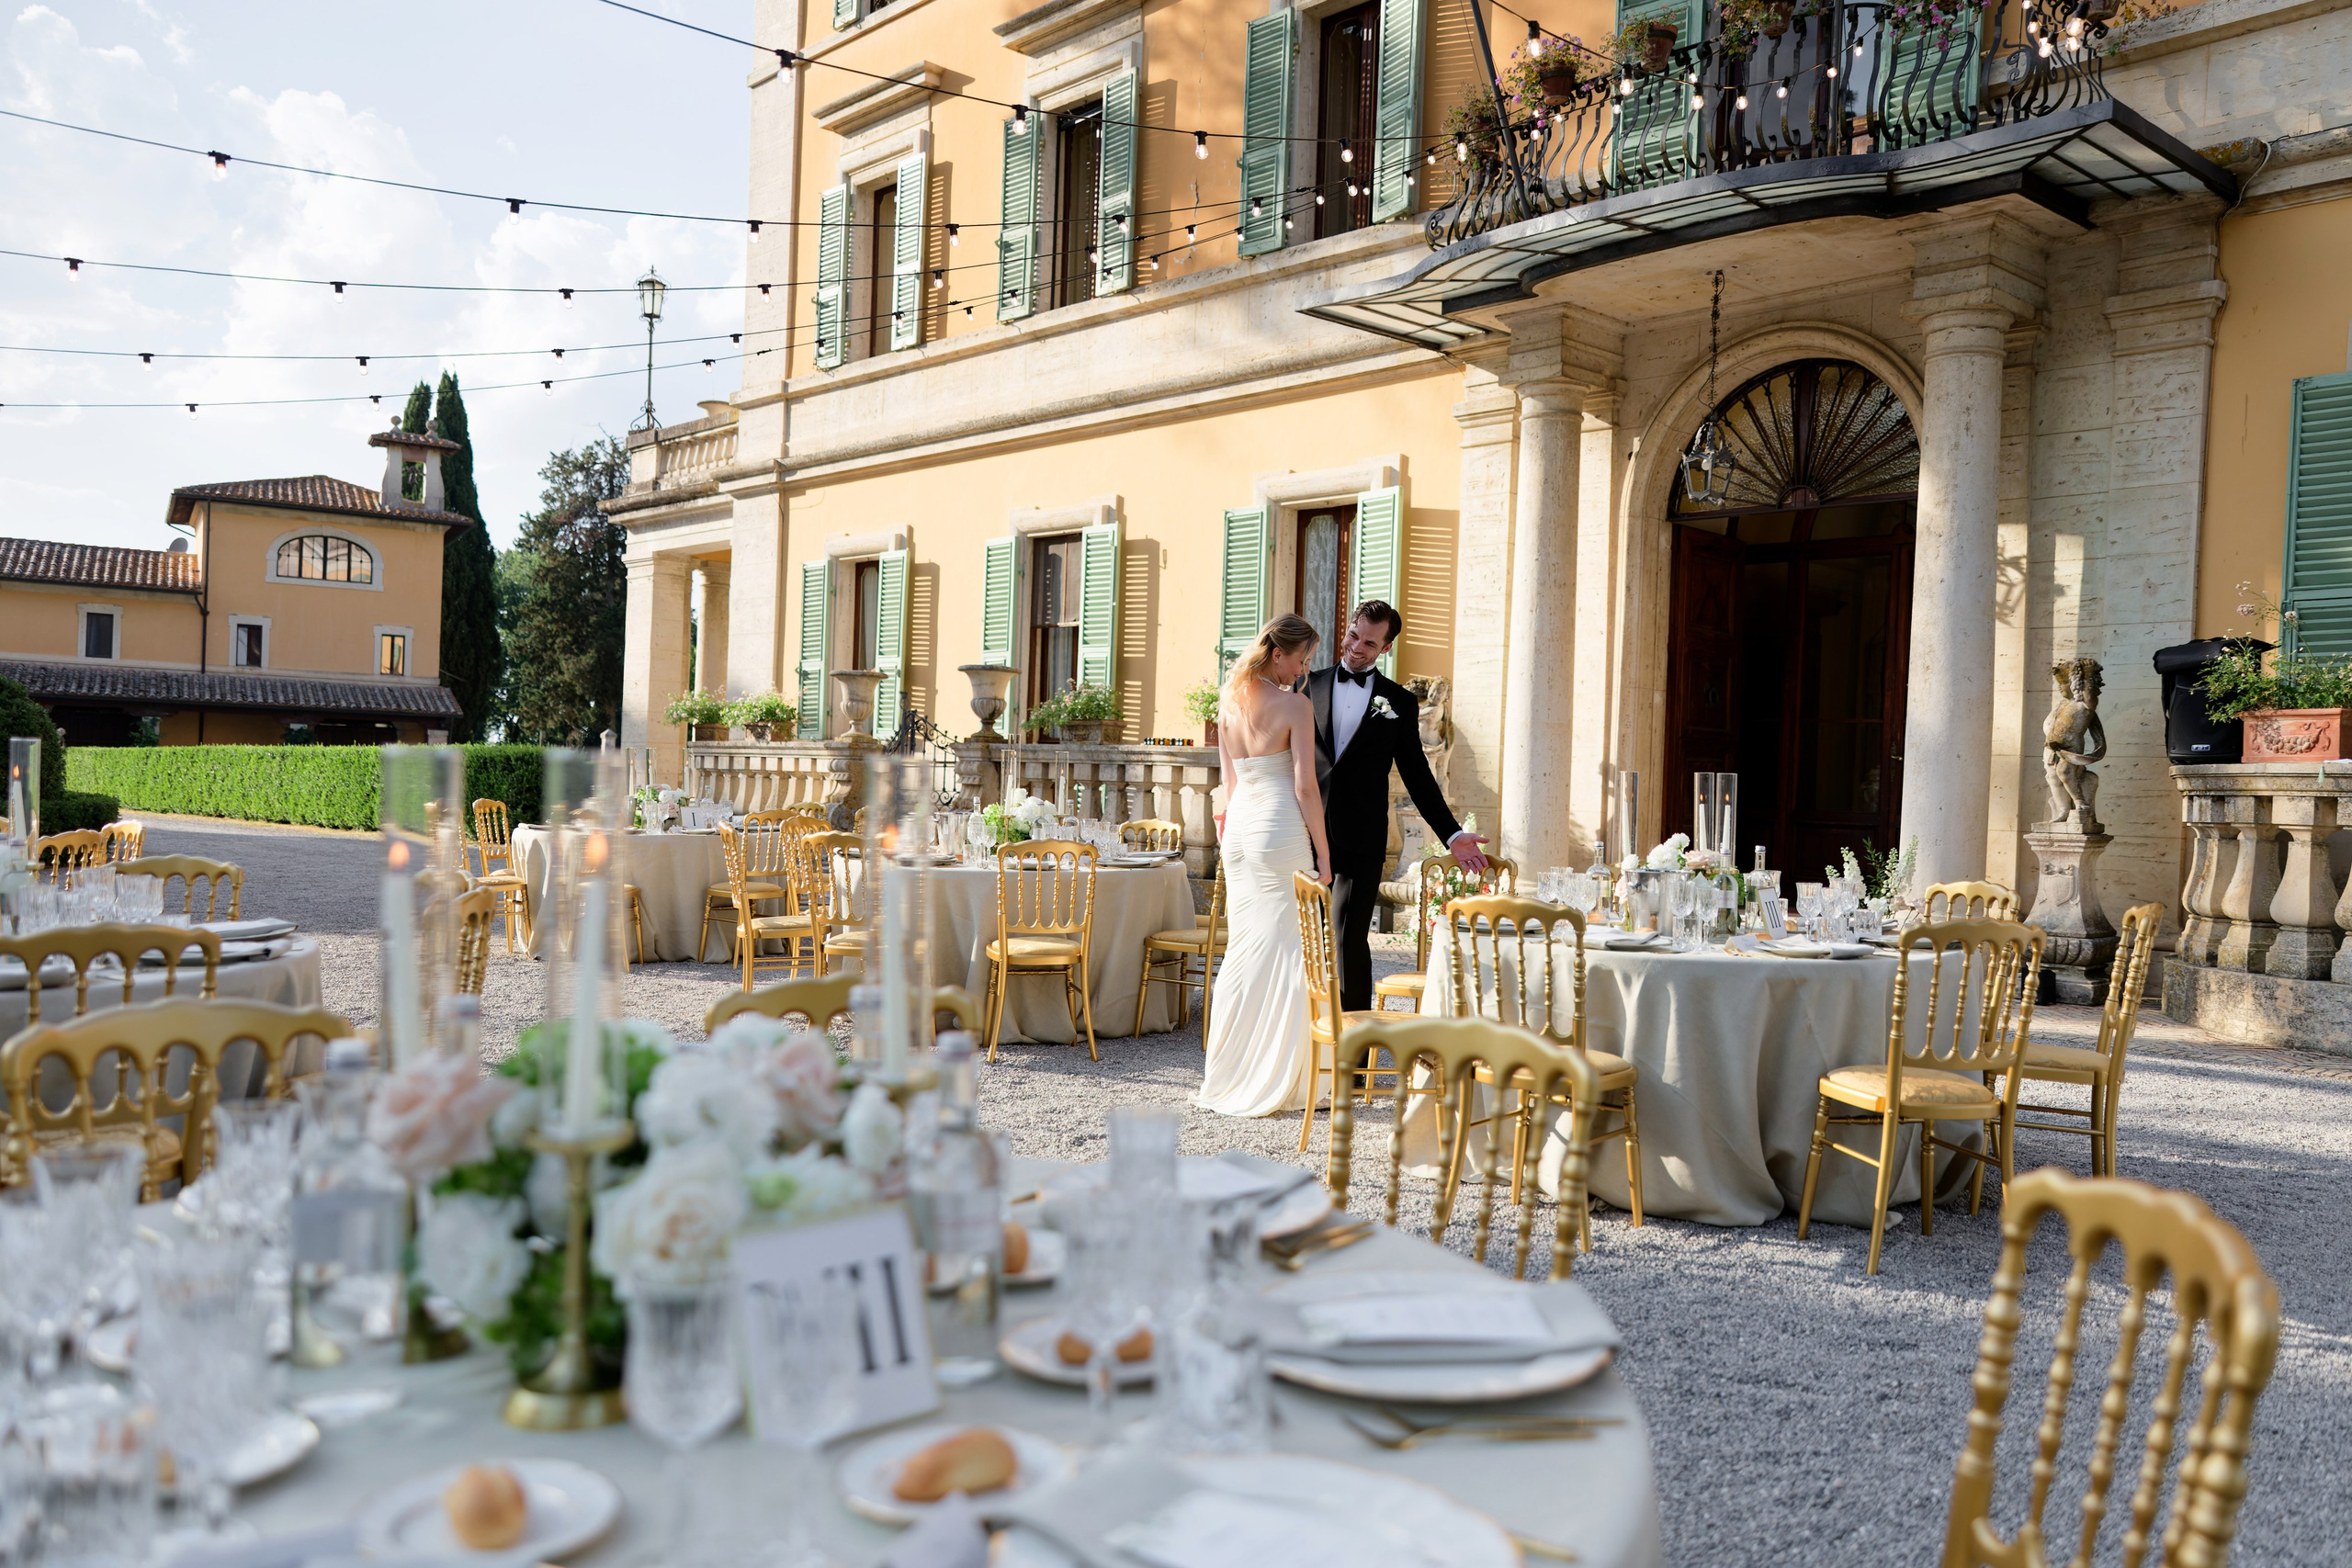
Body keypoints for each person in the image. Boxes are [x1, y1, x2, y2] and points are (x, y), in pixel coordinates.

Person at [1306, 601, 1489, 1012]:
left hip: (1361, 840)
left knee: (1347, 937)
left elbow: (1418, 777)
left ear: (1385, 648)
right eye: (1353, 635)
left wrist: (1453, 834)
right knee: (1296, 937)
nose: (1356, 647)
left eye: (1369, 643)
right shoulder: (1306, 685)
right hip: (1302, 831)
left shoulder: (1398, 703)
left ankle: (1350, 1050)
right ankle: (1300, 1040)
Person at [1196, 615, 1331, 1117]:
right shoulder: (1295, 705)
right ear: (1279, 653)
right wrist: (1323, 851)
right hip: (1279, 830)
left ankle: (1231, 1072)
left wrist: (1230, 833)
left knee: (1246, 949)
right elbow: (1304, 787)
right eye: (1302, 658)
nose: (1304, 669)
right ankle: (1283, 1078)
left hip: (1240, 832)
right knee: (1292, 947)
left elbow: (1229, 785)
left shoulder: (1227, 701)